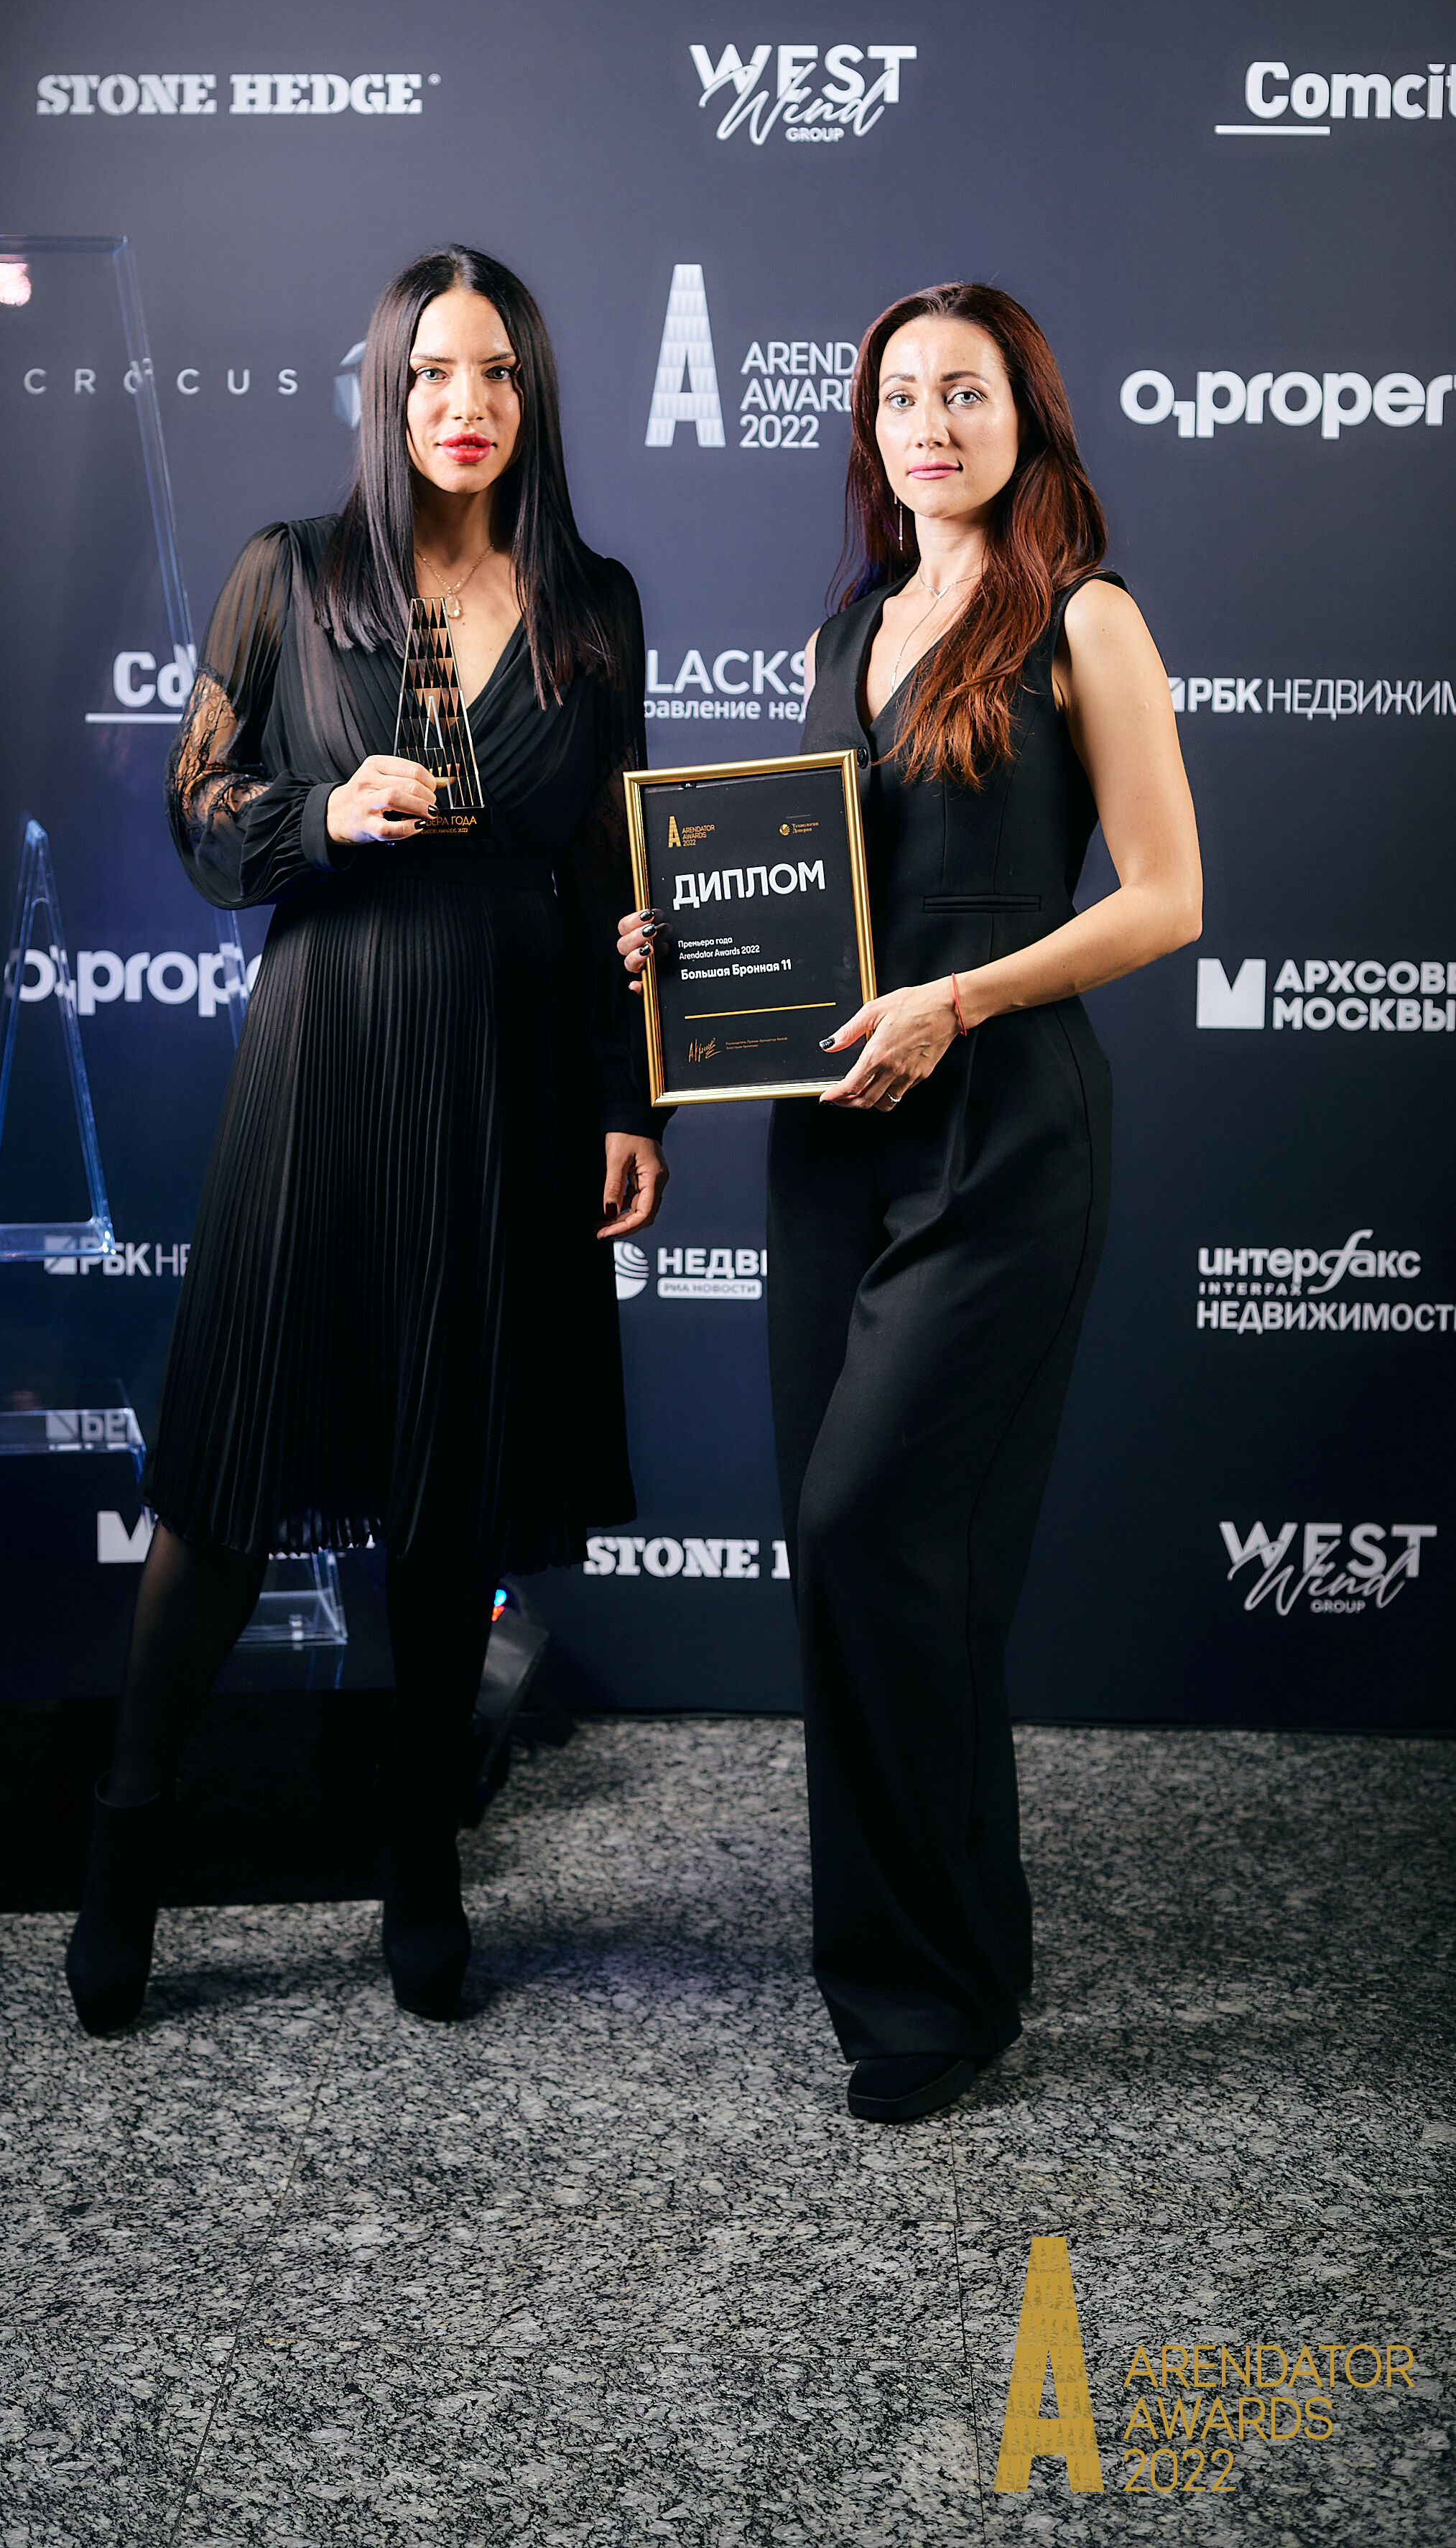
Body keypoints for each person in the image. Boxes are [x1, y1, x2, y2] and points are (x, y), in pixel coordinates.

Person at [67, 246, 669, 2034]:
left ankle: (419, 1858)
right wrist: (322, 813)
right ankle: (125, 1846)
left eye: (494, 372)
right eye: (428, 372)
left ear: (530, 394)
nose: (461, 404)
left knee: (445, 1486)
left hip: (508, 1079)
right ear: (385, 391)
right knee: (227, 1478)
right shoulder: (288, 573)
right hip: (324, 1057)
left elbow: (612, 872)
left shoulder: (594, 605)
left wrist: (629, 1093)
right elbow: (198, 812)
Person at [621, 284, 1200, 2121]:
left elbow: (1165, 896)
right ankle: (912, 1970)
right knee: (849, 1555)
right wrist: (685, 945)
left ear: (1025, 416)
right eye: (896, 396)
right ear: (863, 429)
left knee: (885, 1525)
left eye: (963, 391)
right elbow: (823, 901)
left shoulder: (1084, 614)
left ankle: (938, 1986)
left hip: (999, 1124)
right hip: (832, 1134)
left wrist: (961, 996)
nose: (927, 423)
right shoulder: (847, 630)